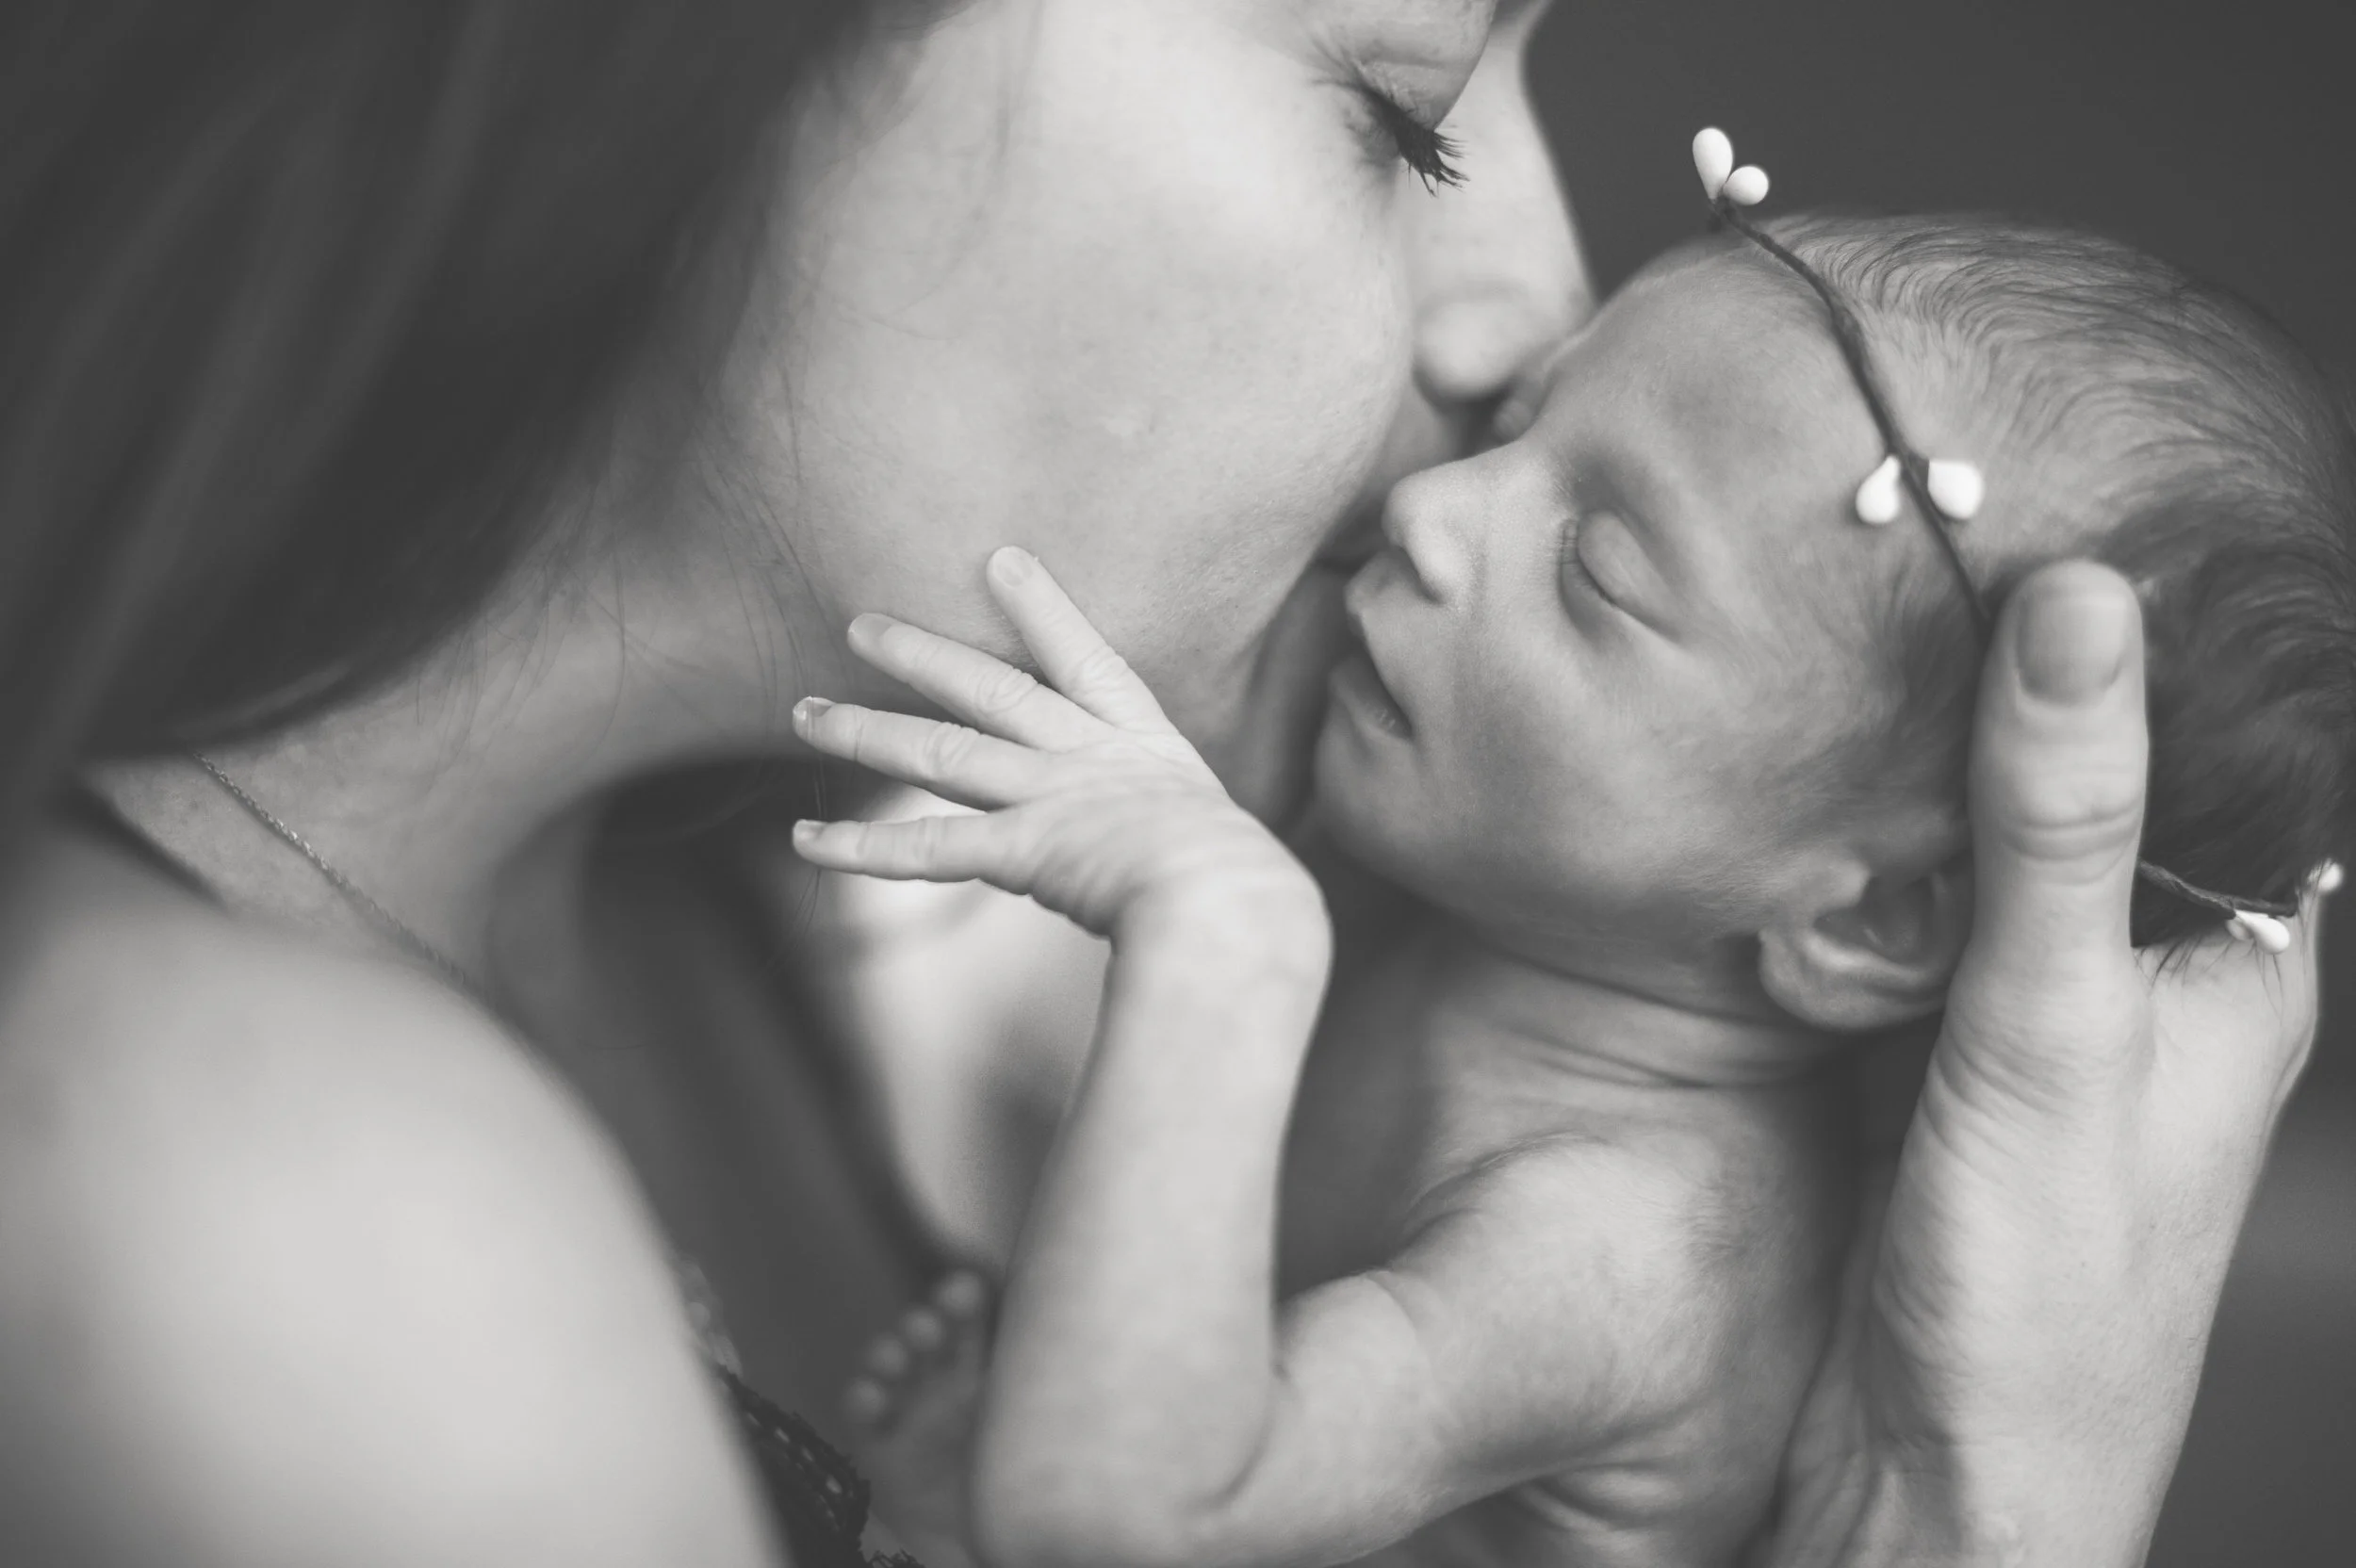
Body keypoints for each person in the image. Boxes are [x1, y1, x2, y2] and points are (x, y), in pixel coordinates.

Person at [0, 5, 2322, 1566]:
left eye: (1605, 570)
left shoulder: (795, 927)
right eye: (1402, 109)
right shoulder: (280, 1219)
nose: (1526, 303)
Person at [784, 206, 2356, 1566]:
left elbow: (1118, 1517)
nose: (1434, 509)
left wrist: (1214, 932)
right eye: (1519, 423)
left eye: (1596, 572)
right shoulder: (1496, 886)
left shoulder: (1635, 1238)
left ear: (1862, 919)